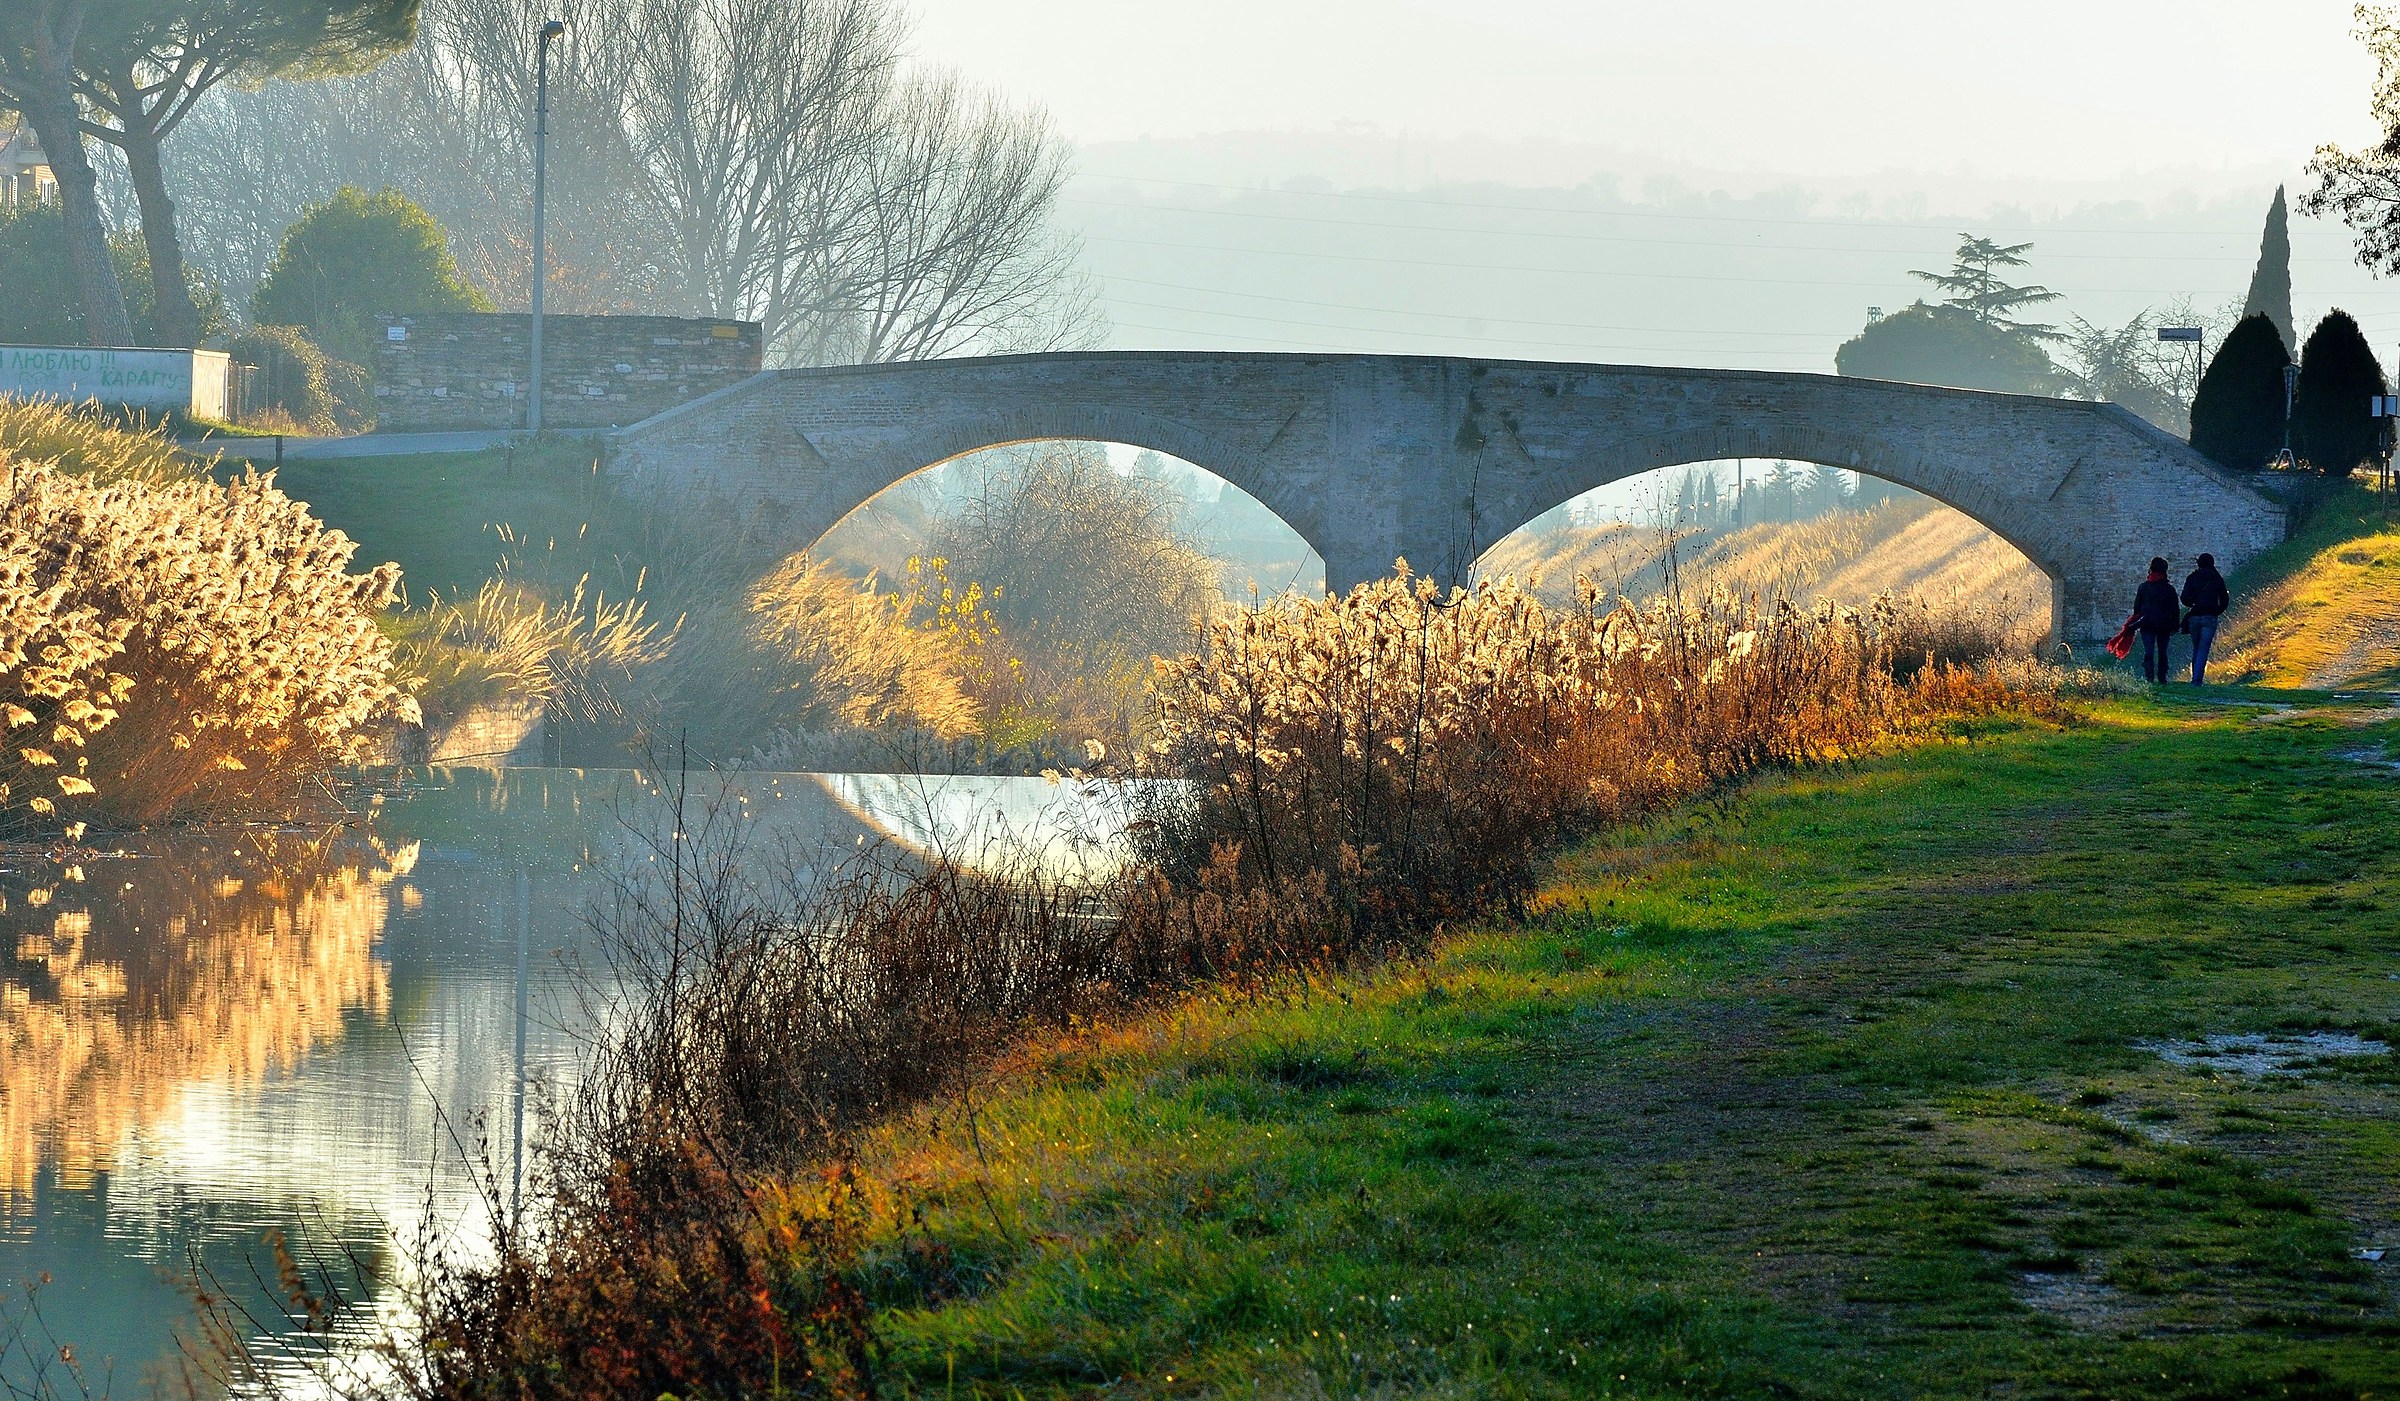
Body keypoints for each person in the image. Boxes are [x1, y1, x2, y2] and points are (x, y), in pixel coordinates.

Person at [2181, 552, 2231, 686]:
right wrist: (2216, 611)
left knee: (2196, 647)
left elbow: (2184, 598)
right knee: (2203, 648)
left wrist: (2193, 604)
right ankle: (2197, 680)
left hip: (2195, 617)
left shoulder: (2192, 577)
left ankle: (2194, 678)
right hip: (2210, 617)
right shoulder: (2216, 578)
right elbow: (2225, 600)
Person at [2131, 556, 2180, 684]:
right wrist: (2175, 625)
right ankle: (2162, 677)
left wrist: (2136, 620)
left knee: (2149, 651)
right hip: (2164, 625)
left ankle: (2149, 677)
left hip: (2146, 624)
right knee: (2162, 652)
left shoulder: (2143, 587)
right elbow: (2175, 609)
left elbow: (2137, 607)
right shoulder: (2169, 589)